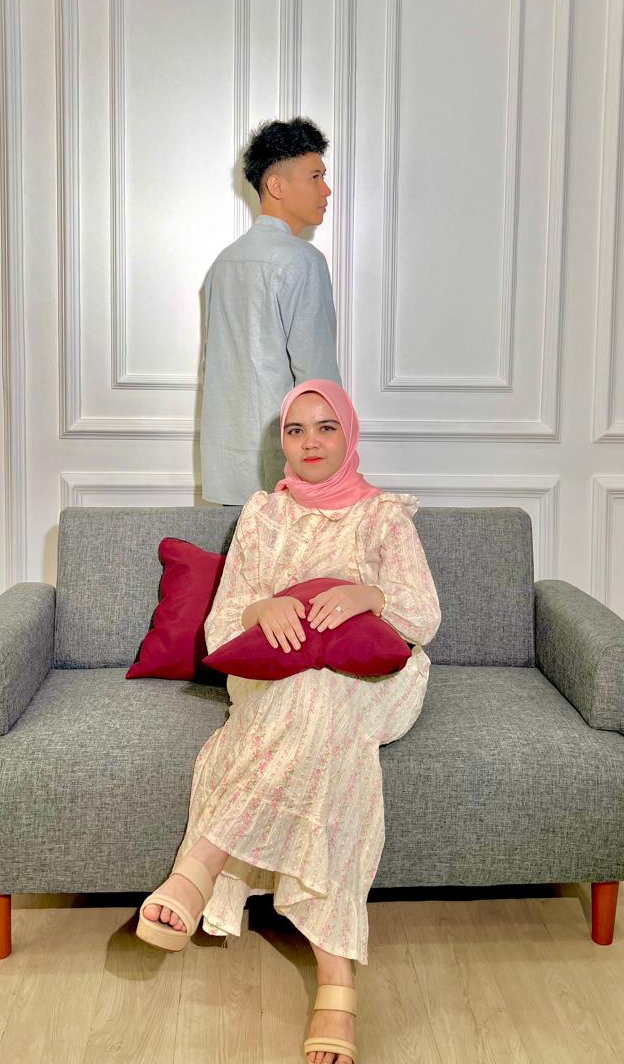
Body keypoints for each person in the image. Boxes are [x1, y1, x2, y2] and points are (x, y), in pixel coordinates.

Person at [137, 380, 441, 1064]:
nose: (310, 442)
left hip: (376, 680)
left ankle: (199, 866)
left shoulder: (384, 516)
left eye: (326, 427)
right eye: (296, 429)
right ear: (283, 441)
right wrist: (260, 609)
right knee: (314, 710)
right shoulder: (263, 515)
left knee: (325, 702)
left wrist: (368, 596)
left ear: (349, 435)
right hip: (275, 675)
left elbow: (423, 618)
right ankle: (337, 980)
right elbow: (223, 623)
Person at [200, 118, 341, 506]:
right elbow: (317, 378)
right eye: (315, 177)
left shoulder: (224, 263)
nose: (326, 189)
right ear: (277, 186)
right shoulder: (303, 261)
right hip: (289, 469)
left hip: (228, 466)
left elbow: (214, 368)